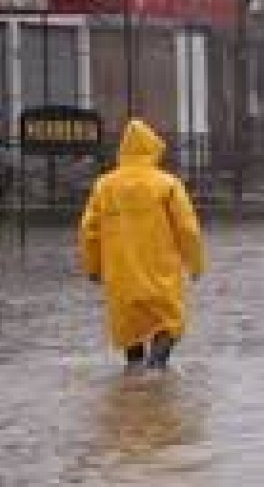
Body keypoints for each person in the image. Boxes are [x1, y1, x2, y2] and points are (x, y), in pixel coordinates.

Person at [79, 119, 205, 373]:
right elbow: (187, 228)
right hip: (160, 272)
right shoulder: (167, 184)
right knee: (168, 322)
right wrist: (195, 264)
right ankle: (157, 370)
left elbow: (89, 231)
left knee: (130, 331)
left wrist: (92, 267)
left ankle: (135, 380)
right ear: (153, 148)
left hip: (120, 274)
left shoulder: (104, 186)